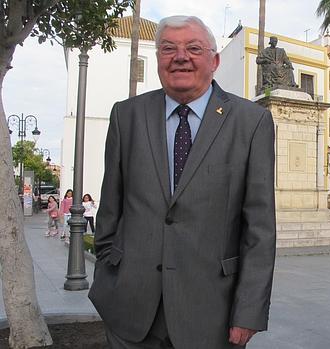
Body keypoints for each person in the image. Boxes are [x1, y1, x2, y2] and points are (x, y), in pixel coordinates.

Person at [88, 16, 276, 349]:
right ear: (159, 58)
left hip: (212, 316)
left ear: (214, 60)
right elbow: (110, 211)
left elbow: (259, 231)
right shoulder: (126, 116)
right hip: (129, 312)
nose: (180, 57)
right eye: (168, 48)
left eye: (193, 48)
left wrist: (247, 313)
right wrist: (108, 277)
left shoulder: (252, 123)